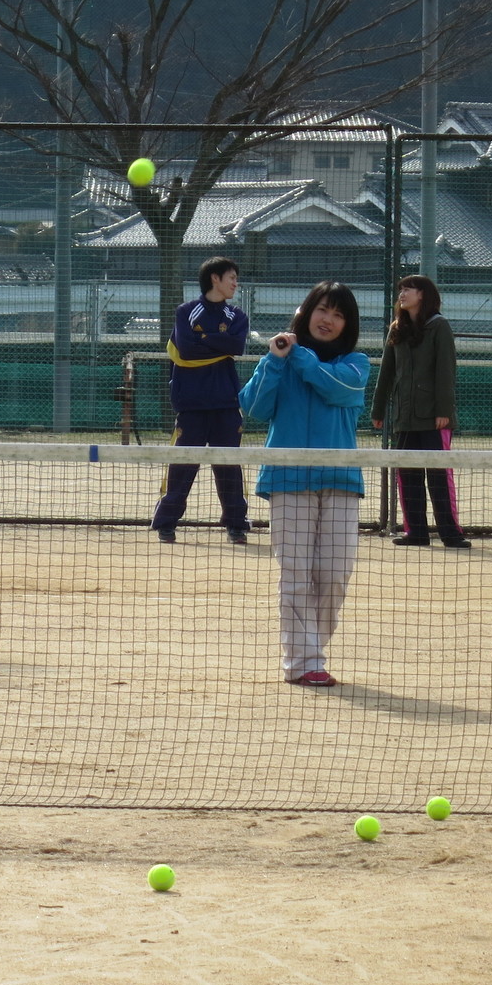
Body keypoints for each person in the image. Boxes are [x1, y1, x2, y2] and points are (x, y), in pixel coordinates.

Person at [239, 281, 370, 688]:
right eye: (322, 310)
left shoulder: (356, 364)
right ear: (306, 311)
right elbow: (253, 407)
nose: (328, 319)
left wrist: (301, 359)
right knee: (295, 573)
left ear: (347, 325)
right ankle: (305, 661)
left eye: (338, 314)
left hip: (340, 480)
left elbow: (338, 390)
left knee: (334, 574)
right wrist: (275, 361)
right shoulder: (279, 359)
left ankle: (309, 650)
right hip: (287, 478)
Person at [151, 256, 252, 544]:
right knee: (182, 464)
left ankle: (236, 524)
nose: (235, 283)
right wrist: (213, 342)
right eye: (231, 277)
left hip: (226, 404)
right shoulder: (186, 311)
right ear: (214, 279)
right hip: (191, 404)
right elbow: (186, 349)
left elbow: (236, 345)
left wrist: (202, 340)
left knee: (229, 466)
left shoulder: (237, 316)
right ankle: (166, 523)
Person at [371, 274, 470, 548]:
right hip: (404, 418)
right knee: (408, 476)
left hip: (434, 418)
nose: (402, 293)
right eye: (400, 288)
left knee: (439, 475)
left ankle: (450, 533)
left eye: (408, 289)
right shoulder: (396, 329)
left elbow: (446, 371)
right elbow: (387, 372)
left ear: (422, 295)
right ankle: (416, 532)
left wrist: (444, 411)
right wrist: (378, 409)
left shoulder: (439, 326)